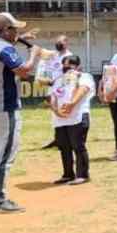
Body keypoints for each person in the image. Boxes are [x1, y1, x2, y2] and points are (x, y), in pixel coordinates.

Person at [0, 12, 44, 213]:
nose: (17, 32)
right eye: (15, 29)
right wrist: (34, 54)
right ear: (5, 30)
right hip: (4, 108)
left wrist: (21, 39)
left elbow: (1, 53)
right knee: (4, 155)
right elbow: (24, 71)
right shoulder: (4, 48)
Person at [49, 55, 94, 185]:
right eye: (64, 65)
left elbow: (83, 89)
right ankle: (68, 174)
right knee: (64, 147)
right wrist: (56, 110)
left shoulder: (84, 77)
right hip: (60, 120)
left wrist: (71, 104)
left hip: (78, 117)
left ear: (78, 66)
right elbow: (53, 96)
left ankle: (83, 175)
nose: (66, 68)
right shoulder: (59, 79)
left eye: (69, 65)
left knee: (78, 146)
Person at [41, 34, 73, 150]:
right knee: (54, 114)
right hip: (51, 87)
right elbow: (47, 68)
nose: (58, 45)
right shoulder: (53, 55)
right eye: (57, 42)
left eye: (60, 43)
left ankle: (65, 139)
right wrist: (45, 79)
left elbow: (70, 75)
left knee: (63, 112)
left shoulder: (70, 56)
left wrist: (57, 83)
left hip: (63, 89)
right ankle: (57, 138)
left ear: (66, 43)